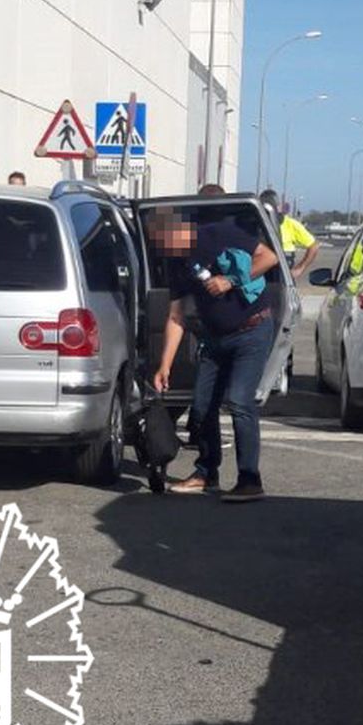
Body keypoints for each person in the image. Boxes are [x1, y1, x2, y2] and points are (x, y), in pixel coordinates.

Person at [150, 207, 280, 501]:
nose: (164, 248)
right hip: (215, 339)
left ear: (180, 230)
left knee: (239, 400)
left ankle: (250, 479)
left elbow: (268, 257)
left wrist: (231, 280)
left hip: (252, 330)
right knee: (201, 406)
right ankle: (206, 473)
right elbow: (176, 316)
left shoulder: (219, 234)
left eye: (165, 239)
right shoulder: (176, 263)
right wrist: (165, 365)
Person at [259, 188, 320, 281]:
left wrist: (300, 268)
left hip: (283, 281)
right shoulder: (255, 225)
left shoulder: (291, 224)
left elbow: (313, 246)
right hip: (259, 279)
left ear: (279, 208)